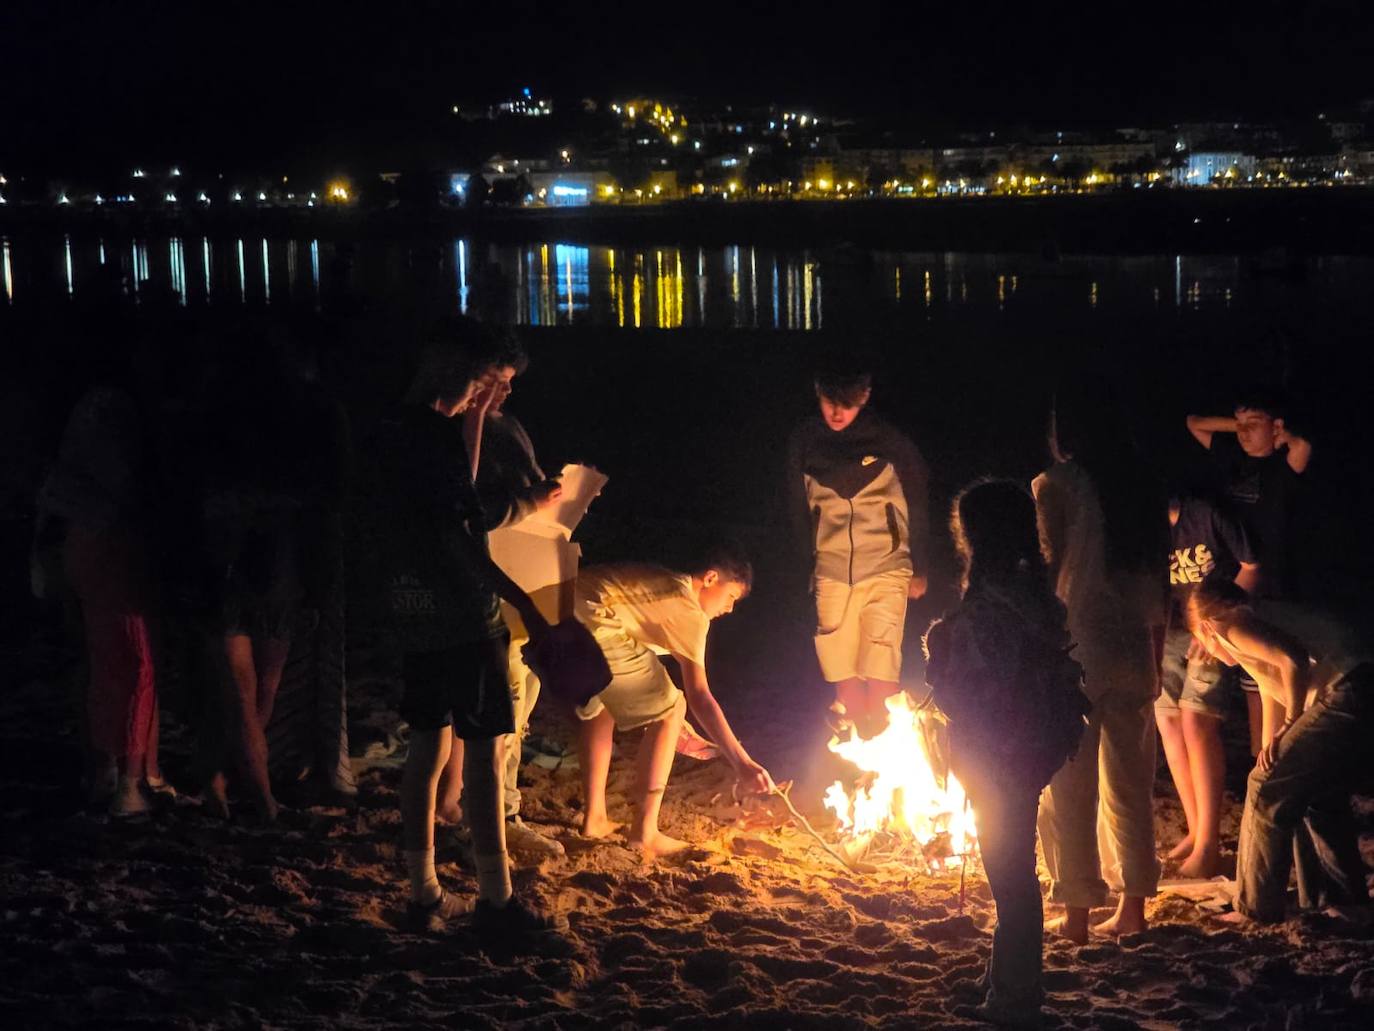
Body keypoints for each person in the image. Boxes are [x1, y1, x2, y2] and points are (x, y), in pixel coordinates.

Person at [373, 327, 563, 934]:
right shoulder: (430, 435)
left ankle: (424, 892)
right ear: (466, 373)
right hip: (462, 612)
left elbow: (458, 502)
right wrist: (520, 602)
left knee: (427, 744)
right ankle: (497, 898)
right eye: (490, 384)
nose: (493, 395)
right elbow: (462, 533)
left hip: (413, 607)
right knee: (483, 750)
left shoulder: (399, 429)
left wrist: (475, 421)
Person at [925, 480, 1088, 1028]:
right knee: (1013, 869)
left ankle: (1016, 998)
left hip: (999, 753)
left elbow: (965, 693)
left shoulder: (990, 605)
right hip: (1028, 749)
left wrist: (938, 649)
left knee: (1012, 877)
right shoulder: (1035, 593)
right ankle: (1005, 982)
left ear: (974, 535)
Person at [1033, 381, 1169, 942]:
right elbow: (1160, 581)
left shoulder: (1055, 485)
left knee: (1069, 784)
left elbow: (1046, 570)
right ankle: (1133, 909)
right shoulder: (1143, 482)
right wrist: (1154, 657)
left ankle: (1078, 915)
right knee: (1132, 782)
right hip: (1136, 644)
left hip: (1078, 642)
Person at [1186, 580, 1373, 924]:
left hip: (1349, 686)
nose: (1204, 652)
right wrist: (1274, 743)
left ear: (1207, 626)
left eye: (1199, 639)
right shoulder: (1255, 621)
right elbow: (1272, 680)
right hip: (1359, 679)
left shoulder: (1232, 624)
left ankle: (1255, 907)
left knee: (1266, 788)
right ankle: (1344, 902)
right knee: (1315, 791)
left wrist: (1291, 722)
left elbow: (1293, 659)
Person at [572, 547, 775, 858]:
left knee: (603, 706)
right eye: (731, 596)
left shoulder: (663, 585)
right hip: (594, 620)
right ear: (710, 578)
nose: (730, 608)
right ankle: (645, 833)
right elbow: (700, 697)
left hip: (561, 613)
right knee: (671, 709)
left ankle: (595, 819)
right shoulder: (686, 607)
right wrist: (743, 762)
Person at [40, 373, 165, 815]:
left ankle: (105, 769)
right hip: (110, 541)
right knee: (136, 664)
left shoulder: (82, 408)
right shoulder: (116, 411)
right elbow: (123, 482)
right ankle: (128, 783)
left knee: (103, 662)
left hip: (83, 541)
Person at [786, 356, 929, 738]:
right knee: (840, 666)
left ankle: (888, 752)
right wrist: (807, 566)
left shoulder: (888, 440)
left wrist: (921, 564)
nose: (838, 411)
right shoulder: (804, 440)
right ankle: (860, 763)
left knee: (882, 663)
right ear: (818, 392)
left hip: (887, 563)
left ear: (864, 396)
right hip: (831, 567)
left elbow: (917, 499)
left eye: (847, 402)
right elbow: (796, 507)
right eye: (831, 400)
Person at [1186, 388, 1313, 754]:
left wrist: (1274, 431)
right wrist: (1244, 424)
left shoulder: (1284, 465)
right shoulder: (1233, 458)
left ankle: (1271, 753)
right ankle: (1262, 761)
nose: (1242, 433)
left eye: (1252, 425)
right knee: (1251, 681)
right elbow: (1193, 423)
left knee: (1268, 681)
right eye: (1238, 424)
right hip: (1231, 587)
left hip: (1270, 588)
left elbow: (1303, 445)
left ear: (1276, 427)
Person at [1156, 493, 1259, 878]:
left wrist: (1217, 622)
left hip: (1210, 630)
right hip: (1167, 631)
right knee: (1168, 722)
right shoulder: (1143, 524)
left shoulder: (1208, 514)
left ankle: (1209, 844)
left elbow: (1251, 566)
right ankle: (1196, 828)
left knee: (1196, 723)